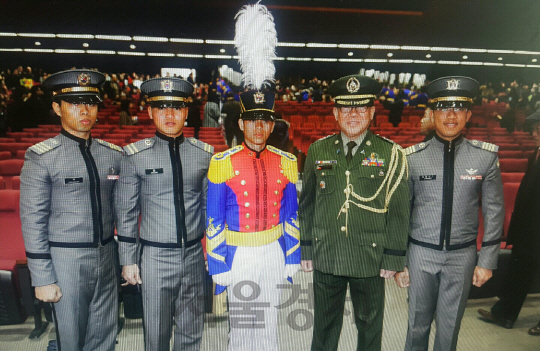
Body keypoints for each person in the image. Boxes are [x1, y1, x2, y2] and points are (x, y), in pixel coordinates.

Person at [299, 75, 410, 351]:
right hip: (328, 254)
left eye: (360, 108)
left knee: (370, 328)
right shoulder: (317, 150)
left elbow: (398, 211)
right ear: (335, 113)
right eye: (346, 109)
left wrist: (393, 256)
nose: (353, 115)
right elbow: (308, 205)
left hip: (370, 258)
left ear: (372, 112)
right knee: (324, 328)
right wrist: (307, 248)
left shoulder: (391, 153)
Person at [396, 76, 504, 351]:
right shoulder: (412, 157)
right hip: (421, 255)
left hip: (462, 256)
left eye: (459, 108)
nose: (451, 115)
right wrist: (400, 261)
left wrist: (487, 260)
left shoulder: (485, 157)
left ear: (468, 114)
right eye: (444, 108)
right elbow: (400, 213)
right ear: (432, 114)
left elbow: (494, 211)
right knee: (416, 326)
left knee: (449, 329)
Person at [20, 69, 123, 351]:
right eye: (74, 103)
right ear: (57, 107)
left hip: (106, 256)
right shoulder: (41, 157)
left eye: (90, 102)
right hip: (66, 260)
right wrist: (42, 277)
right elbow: (32, 220)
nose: (84, 110)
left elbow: (124, 209)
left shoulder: (112, 154)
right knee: (71, 339)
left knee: (105, 336)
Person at [116, 77, 212, 351]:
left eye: (176, 107)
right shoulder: (135, 156)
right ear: (149, 112)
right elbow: (126, 212)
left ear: (186, 111)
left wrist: (211, 250)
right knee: (156, 336)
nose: (169, 115)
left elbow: (208, 207)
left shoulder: (203, 153)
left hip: (194, 255)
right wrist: (128, 260)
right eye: (161, 108)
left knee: (192, 332)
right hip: (155, 258)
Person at [206, 88, 300, 351]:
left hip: (273, 251)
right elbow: (214, 218)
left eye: (265, 120)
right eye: (252, 120)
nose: (259, 126)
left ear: (272, 125)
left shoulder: (286, 161)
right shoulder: (222, 161)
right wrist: (217, 263)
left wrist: (292, 255)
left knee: (269, 323)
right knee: (242, 327)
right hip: (239, 255)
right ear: (241, 123)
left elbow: (291, 213)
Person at [477, 110, 540, 335]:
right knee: (518, 271)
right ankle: (504, 314)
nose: (534, 133)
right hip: (529, 228)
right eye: (534, 128)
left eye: (539, 129)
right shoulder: (537, 152)